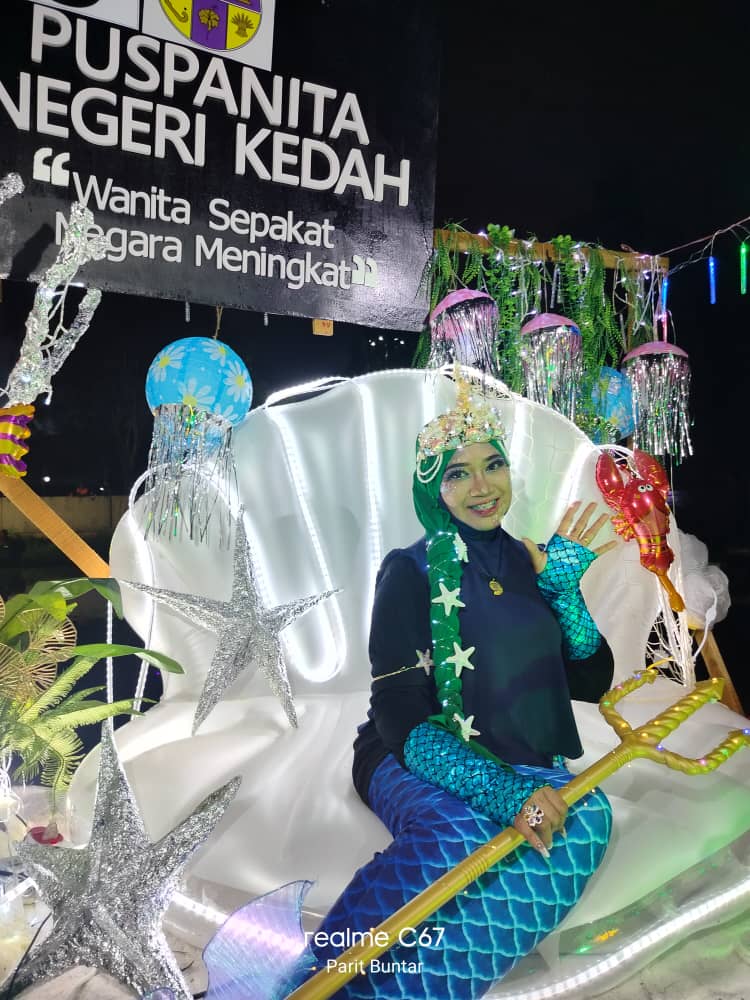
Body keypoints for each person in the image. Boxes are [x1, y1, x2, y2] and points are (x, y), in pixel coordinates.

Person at [296, 377, 618, 999]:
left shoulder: (533, 561)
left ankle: (423, 986)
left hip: (522, 756)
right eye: (458, 473)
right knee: (462, 832)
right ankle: (320, 983)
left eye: (493, 466)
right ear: (433, 489)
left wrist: (565, 592)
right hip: (408, 752)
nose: (482, 486)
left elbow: (591, 680)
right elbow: (395, 712)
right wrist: (501, 791)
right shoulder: (410, 569)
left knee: (587, 819)